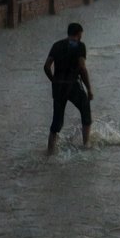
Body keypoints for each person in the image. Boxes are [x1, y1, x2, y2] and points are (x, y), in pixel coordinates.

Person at [44, 22, 93, 155]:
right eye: (81, 34)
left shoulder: (57, 45)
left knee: (56, 122)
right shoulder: (80, 46)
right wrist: (89, 89)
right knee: (85, 109)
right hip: (73, 85)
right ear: (78, 34)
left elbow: (47, 67)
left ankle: (50, 152)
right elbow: (82, 68)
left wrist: (54, 80)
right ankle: (86, 143)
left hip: (59, 87)